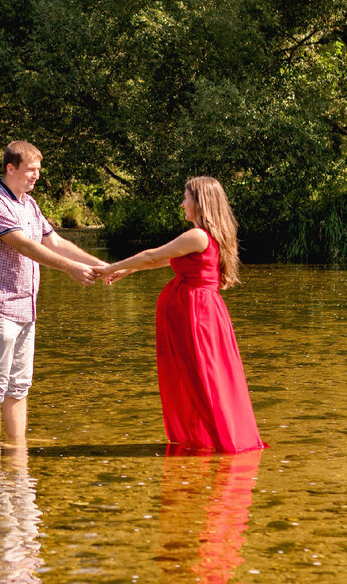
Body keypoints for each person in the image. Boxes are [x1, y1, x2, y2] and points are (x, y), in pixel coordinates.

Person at [100, 176, 265, 453]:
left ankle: (213, 439)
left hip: (196, 315)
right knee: (204, 374)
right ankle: (211, 438)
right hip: (203, 312)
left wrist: (109, 267)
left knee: (201, 375)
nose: (182, 203)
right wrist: (128, 270)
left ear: (200, 202)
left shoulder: (198, 235)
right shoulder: (207, 235)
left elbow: (154, 254)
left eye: (186, 197)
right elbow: (168, 258)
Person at [0, 140, 104, 450]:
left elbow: (53, 242)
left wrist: (102, 266)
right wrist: (71, 269)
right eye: (31, 170)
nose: (36, 176)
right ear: (11, 168)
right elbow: (26, 246)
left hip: (25, 309)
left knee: (19, 386)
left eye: (39, 170)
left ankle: (17, 449)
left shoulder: (29, 204)